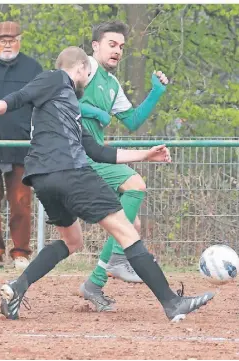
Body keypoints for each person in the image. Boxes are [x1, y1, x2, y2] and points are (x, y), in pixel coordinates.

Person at [0, 46, 214, 322]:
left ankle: (17, 288)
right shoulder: (56, 78)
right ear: (81, 69)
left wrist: (145, 155)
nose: (87, 80)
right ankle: (172, 302)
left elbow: (100, 152)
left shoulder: (66, 110)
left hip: (44, 179)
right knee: (127, 232)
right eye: (87, 75)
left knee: (72, 241)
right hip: (70, 172)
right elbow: (14, 99)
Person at [78, 20, 169, 310]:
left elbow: (131, 121)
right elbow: (58, 98)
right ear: (95, 46)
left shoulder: (112, 83)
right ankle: (116, 259)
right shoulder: (85, 67)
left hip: (93, 156)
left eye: (121, 47)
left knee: (130, 221)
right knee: (135, 185)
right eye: (111, 44)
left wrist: (155, 92)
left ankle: (95, 282)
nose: (117, 51)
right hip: (75, 155)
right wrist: (95, 112)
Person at [0, 21, 43, 270]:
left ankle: (20, 252)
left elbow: (43, 104)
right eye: (2, 39)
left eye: (11, 39)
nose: (7, 43)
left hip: (21, 148)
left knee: (21, 203)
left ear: (20, 39)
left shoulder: (33, 68)